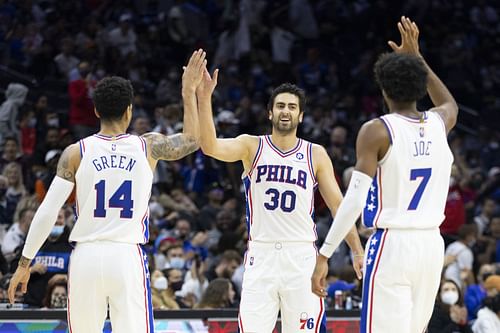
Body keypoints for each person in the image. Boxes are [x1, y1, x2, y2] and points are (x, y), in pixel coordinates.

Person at [7, 49, 207, 332]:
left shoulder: (75, 153)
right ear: (130, 111)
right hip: (126, 256)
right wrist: (189, 91)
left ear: (97, 111)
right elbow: (192, 140)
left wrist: (24, 264)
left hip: (86, 257)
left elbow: (47, 211)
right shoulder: (147, 146)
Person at [312, 16, 458, 333]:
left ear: (383, 89)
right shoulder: (439, 123)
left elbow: (353, 200)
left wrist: (324, 253)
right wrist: (417, 56)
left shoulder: (377, 131)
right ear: (420, 86)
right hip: (432, 245)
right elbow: (447, 101)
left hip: (393, 244)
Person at [196, 70, 364, 330]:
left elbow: (338, 207)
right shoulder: (251, 146)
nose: (286, 111)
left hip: (301, 256)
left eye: (292, 107)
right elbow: (210, 146)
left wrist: (356, 249)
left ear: (301, 115)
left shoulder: (315, 153)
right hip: (261, 255)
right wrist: (204, 97)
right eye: (281, 106)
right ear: (270, 113)